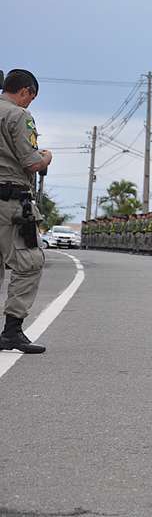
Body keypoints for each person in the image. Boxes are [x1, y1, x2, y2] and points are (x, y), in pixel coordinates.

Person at [0, 69, 51, 354]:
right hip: (9, 203)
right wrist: (46, 157)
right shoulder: (18, 116)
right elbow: (31, 163)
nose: (29, 103)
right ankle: (11, 332)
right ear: (25, 91)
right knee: (29, 262)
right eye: (31, 97)